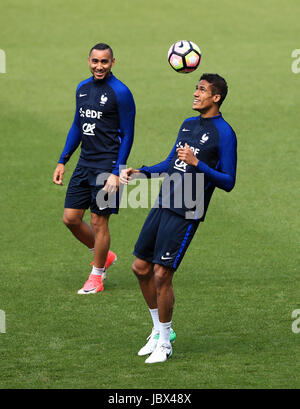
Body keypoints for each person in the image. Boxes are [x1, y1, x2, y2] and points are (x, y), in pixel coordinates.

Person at [120, 73, 237, 363]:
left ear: (216, 97)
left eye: (202, 90)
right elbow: (171, 162)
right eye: (196, 88)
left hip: (188, 209)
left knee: (162, 274)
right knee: (139, 268)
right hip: (163, 202)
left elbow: (229, 180)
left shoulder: (225, 133)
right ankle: (159, 330)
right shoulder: (187, 125)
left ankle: (165, 342)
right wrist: (141, 172)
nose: (196, 93)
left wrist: (198, 164)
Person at [53, 43, 135, 294]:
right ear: (88, 61)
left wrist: (116, 172)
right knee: (71, 218)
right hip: (85, 163)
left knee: (99, 222)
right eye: (95, 61)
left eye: (105, 62)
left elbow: (128, 134)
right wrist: (63, 160)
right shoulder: (82, 88)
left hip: (107, 165)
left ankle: (97, 276)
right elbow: (77, 126)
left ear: (113, 63)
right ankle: (103, 255)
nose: (99, 66)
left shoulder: (120, 92)